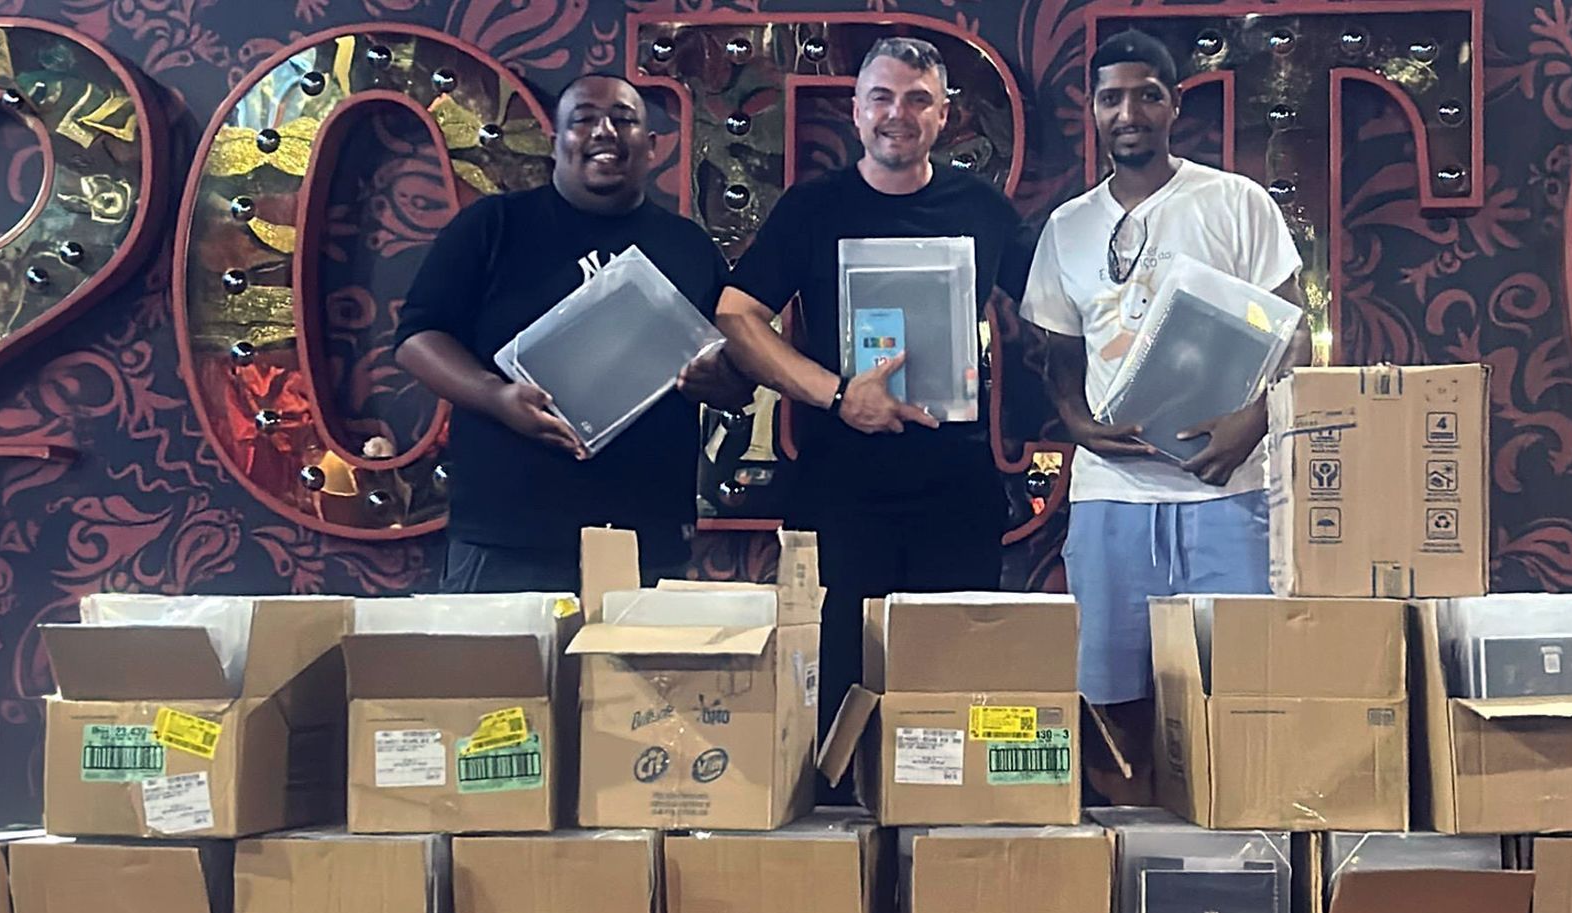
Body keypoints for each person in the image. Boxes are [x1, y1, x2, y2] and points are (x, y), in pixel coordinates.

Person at [716, 38, 1035, 752]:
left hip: (956, 489)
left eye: (919, 100)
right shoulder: (812, 208)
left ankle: (940, 815)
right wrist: (836, 396)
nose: (899, 114)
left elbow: (1053, 310)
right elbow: (736, 315)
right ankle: (840, 821)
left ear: (945, 116)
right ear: (857, 111)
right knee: (835, 686)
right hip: (840, 489)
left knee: (949, 687)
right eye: (883, 98)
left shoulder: (983, 208)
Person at [1018, 30, 1313, 802]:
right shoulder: (1067, 227)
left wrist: (1253, 422)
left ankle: (1240, 849)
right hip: (1111, 499)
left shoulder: (1235, 203)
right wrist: (1076, 422)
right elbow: (1055, 349)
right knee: (1111, 704)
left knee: (1244, 691)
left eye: (1147, 95)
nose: (1129, 113)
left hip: (1231, 494)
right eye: (1111, 98)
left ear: (1173, 104)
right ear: (1092, 110)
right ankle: (1135, 853)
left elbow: (1295, 333)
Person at [396, 73, 750, 593]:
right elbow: (416, 338)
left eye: (624, 120)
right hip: (508, 535)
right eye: (583, 120)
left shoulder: (689, 246)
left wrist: (719, 382)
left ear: (652, 146)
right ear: (555, 140)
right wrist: (497, 397)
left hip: (646, 536)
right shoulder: (493, 225)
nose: (604, 132)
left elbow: (736, 376)